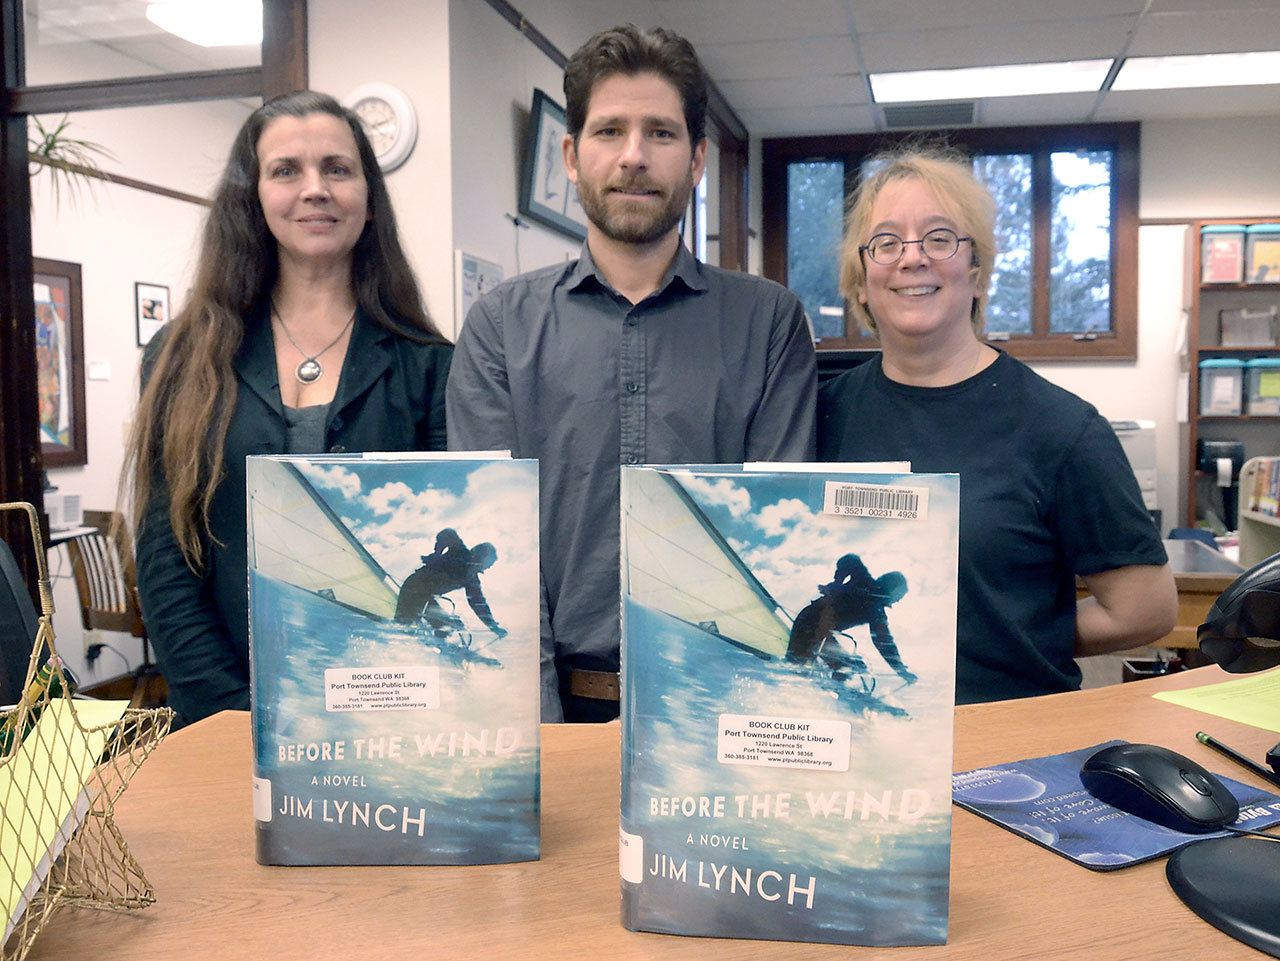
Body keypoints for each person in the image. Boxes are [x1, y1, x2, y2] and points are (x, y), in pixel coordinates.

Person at [447, 24, 816, 722]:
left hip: (723, 702)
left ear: (698, 159)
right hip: (550, 708)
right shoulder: (499, 327)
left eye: (662, 133)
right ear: (572, 155)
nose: (634, 156)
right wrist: (539, 733)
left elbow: (780, 537)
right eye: (610, 130)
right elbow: (489, 538)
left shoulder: (768, 323)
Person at [123, 91, 452, 727]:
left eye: (337, 168)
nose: (315, 189)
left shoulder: (431, 365)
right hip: (225, 710)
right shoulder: (181, 357)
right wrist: (225, 713)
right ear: (253, 197)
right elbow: (166, 555)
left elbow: (424, 549)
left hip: (390, 711)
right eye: (286, 171)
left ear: (367, 193)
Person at [818, 146, 1177, 704]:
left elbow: (1145, 610)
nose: (913, 259)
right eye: (886, 243)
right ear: (861, 281)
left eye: (939, 238)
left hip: (1009, 746)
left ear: (977, 274)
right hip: (862, 745)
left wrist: (1016, 637)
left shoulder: (1062, 429)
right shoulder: (819, 417)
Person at [787, 554, 916, 685]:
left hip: (819, 630)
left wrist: (838, 582)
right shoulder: (873, 605)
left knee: (845, 665)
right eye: (899, 595)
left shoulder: (866, 585)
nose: (898, 600)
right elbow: (884, 642)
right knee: (796, 668)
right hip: (808, 625)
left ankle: (837, 685)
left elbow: (850, 560)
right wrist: (837, 583)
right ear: (892, 589)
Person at [395, 528, 506, 637]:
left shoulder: (471, 580)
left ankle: (437, 644)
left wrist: (493, 626)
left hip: (426, 597)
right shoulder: (461, 552)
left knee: (446, 627)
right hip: (412, 588)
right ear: (482, 556)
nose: (490, 566)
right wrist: (437, 553)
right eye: (490, 562)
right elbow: (448, 533)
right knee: (405, 627)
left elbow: (478, 604)